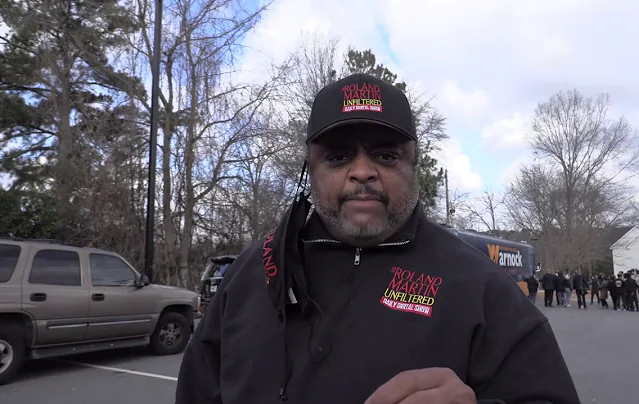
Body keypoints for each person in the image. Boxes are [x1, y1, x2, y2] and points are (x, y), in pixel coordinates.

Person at [174, 73, 580, 404]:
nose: (363, 171)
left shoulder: (479, 286)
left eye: (385, 156)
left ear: (413, 165)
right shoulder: (251, 275)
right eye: (338, 157)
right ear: (310, 171)